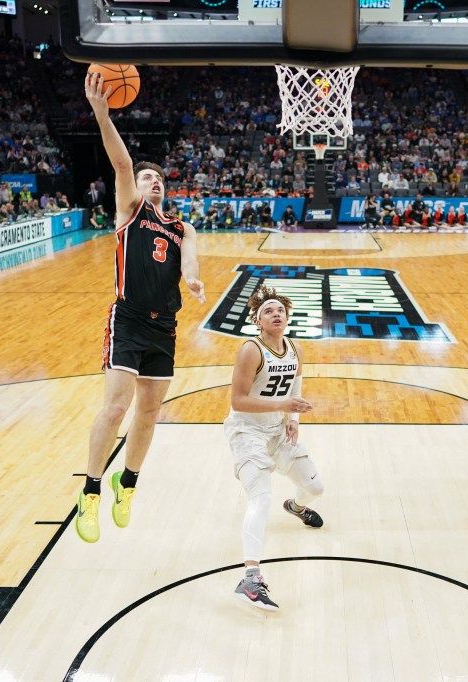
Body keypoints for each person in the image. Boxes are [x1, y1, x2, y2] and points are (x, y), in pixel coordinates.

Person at [74, 70, 207, 544]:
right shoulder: (131, 210)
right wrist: (102, 114)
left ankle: (125, 485)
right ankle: (89, 493)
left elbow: (190, 259)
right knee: (116, 406)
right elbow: (123, 165)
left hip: (164, 326)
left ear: (166, 190)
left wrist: (192, 278)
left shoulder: (181, 227)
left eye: (157, 178)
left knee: (149, 412)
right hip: (128, 318)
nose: (150, 181)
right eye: (146, 176)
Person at [224, 284, 324, 610]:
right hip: (247, 432)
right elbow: (238, 401)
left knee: (315, 487)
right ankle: (250, 576)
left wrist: (292, 417)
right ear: (258, 320)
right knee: (261, 497)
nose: (276, 314)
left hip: (278, 430)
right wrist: (283, 404)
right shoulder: (251, 350)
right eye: (268, 310)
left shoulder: (294, 348)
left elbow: (295, 384)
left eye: (280, 310)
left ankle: (295, 506)